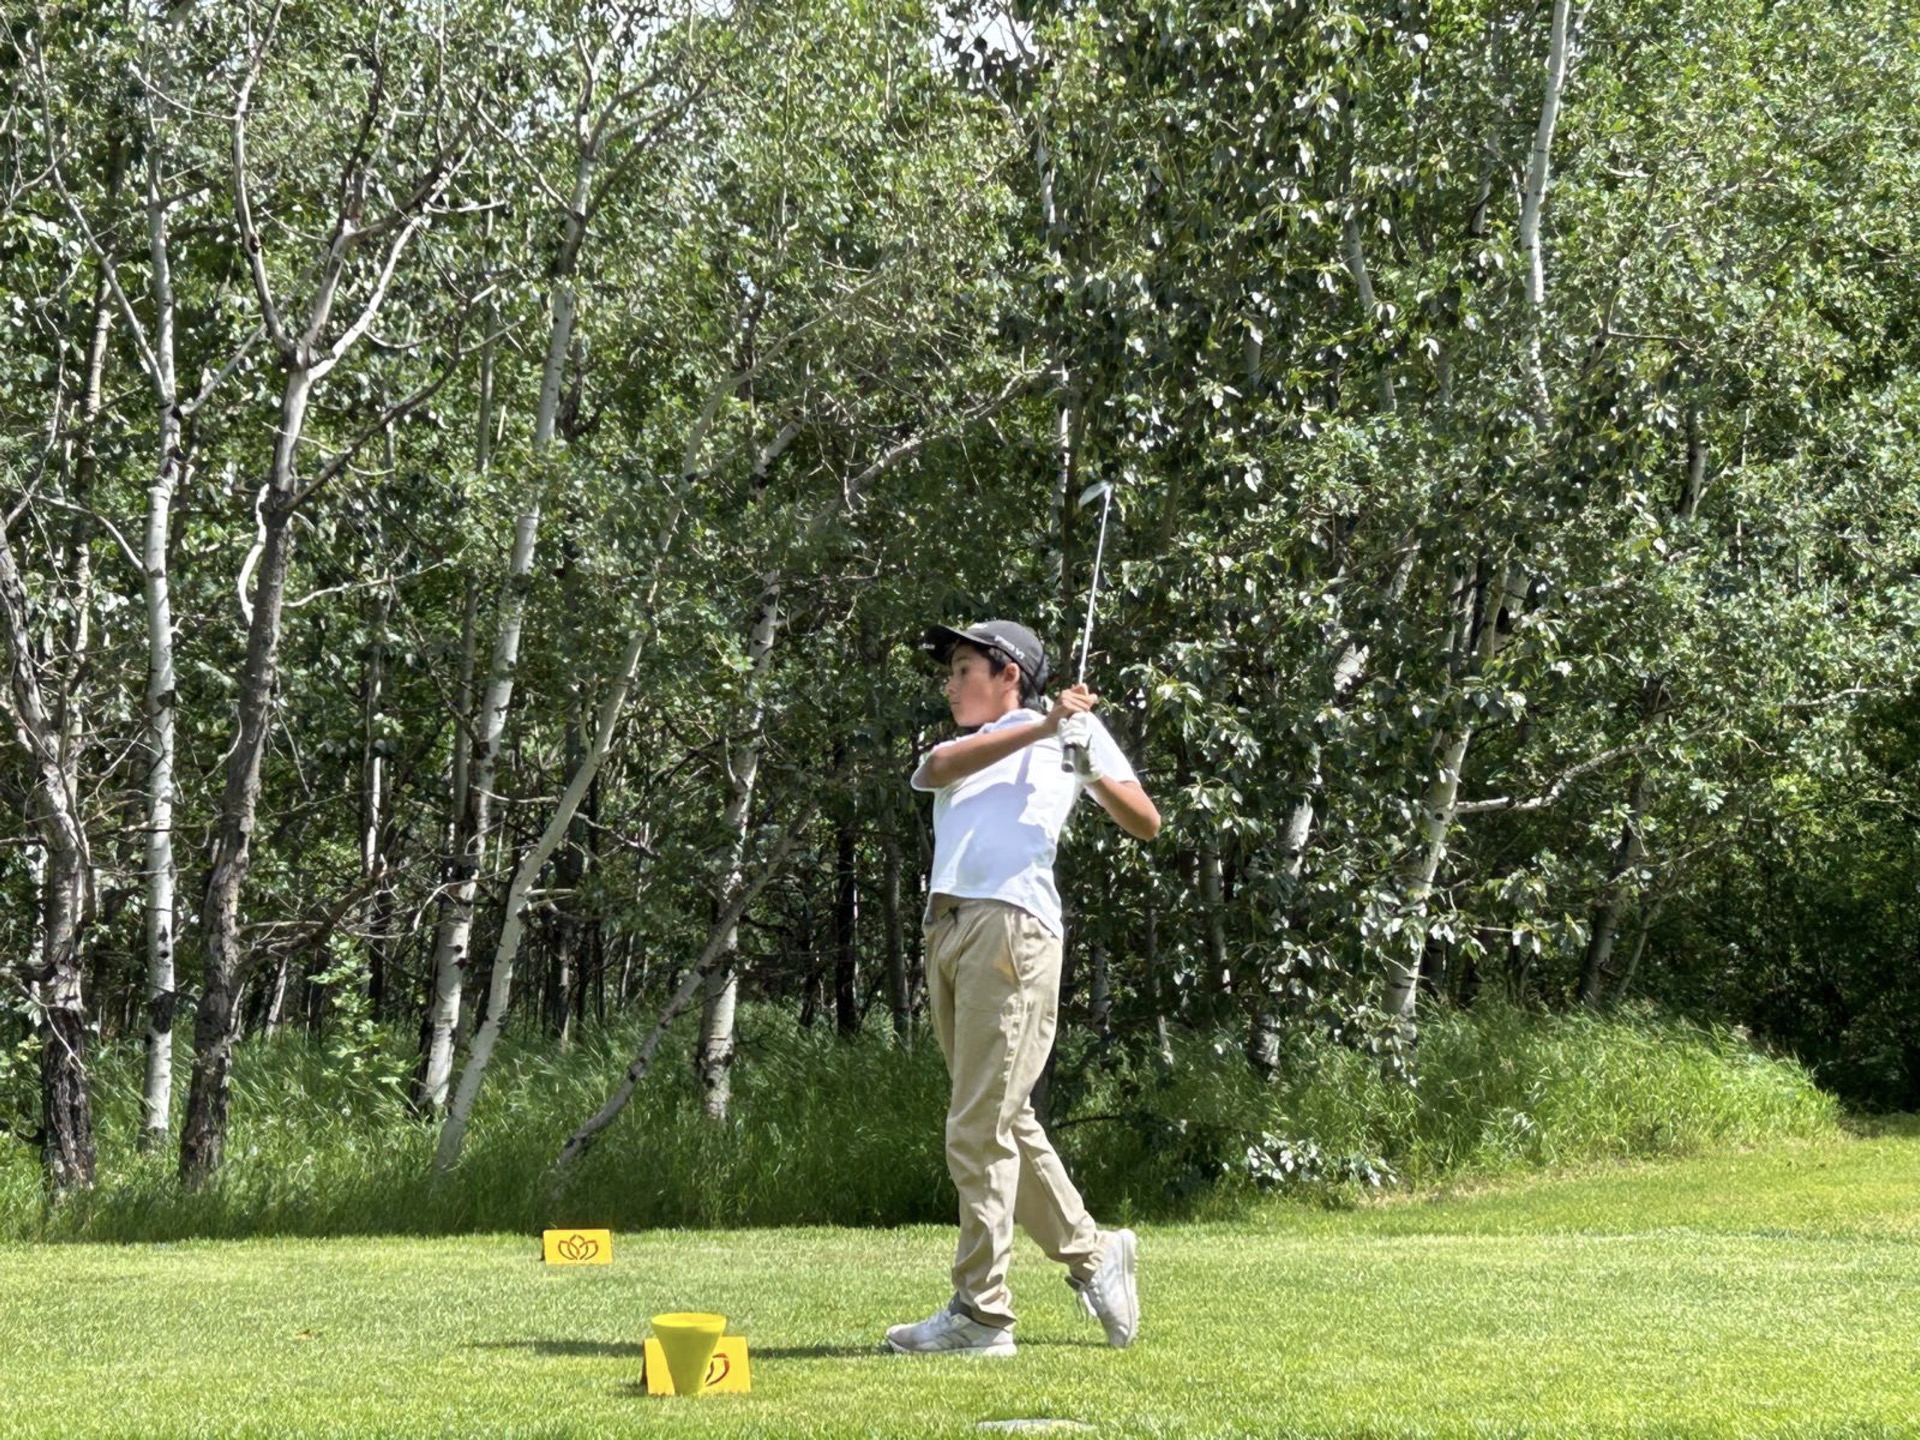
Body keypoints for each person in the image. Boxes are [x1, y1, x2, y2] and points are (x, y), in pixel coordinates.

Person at [886, 619, 1161, 1357]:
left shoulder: (1074, 733)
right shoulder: (990, 741)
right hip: (948, 929)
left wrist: (1089, 764)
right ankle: (1095, 1256)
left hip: (1012, 927)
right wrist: (1042, 727)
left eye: (963, 669)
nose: (950, 685)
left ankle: (982, 1313)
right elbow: (936, 769)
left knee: (979, 1125)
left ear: (1009, 672)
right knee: (1002, 1121)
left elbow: (1145, 821)